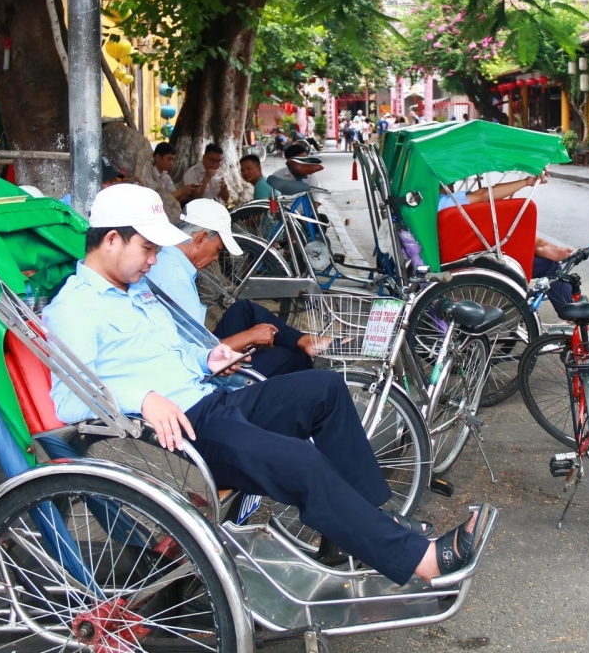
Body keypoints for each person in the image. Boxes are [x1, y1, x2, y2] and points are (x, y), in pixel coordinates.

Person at [42, 184, 486, 586]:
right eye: (147, 247)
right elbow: (66, 399)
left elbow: (169, 355)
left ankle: (366, 522)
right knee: (300, 459)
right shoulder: (74, 309)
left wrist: (208, 356)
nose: (155, 259)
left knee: (325, 389)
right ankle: (420, 560)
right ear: (112, 239)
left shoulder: (135, 290)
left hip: (212, 398)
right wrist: (141, 398)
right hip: (186, 427)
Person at [147, 199, 327, 376]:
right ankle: (304, 351)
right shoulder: (175, 280)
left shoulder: (168, 259)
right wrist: (248, 337)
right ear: (201, 238)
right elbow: (196, 354)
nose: (216, 258)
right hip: (200, 368)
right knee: (294, 358)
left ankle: (306, 341)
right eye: (218, 249)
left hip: (201, 349)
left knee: (244, 309)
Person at [436, 172, 546, 210]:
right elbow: (483, 195)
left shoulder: (430, 203)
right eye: (451, 184)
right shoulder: (441, 203)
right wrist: (526, 182)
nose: (454, 184)